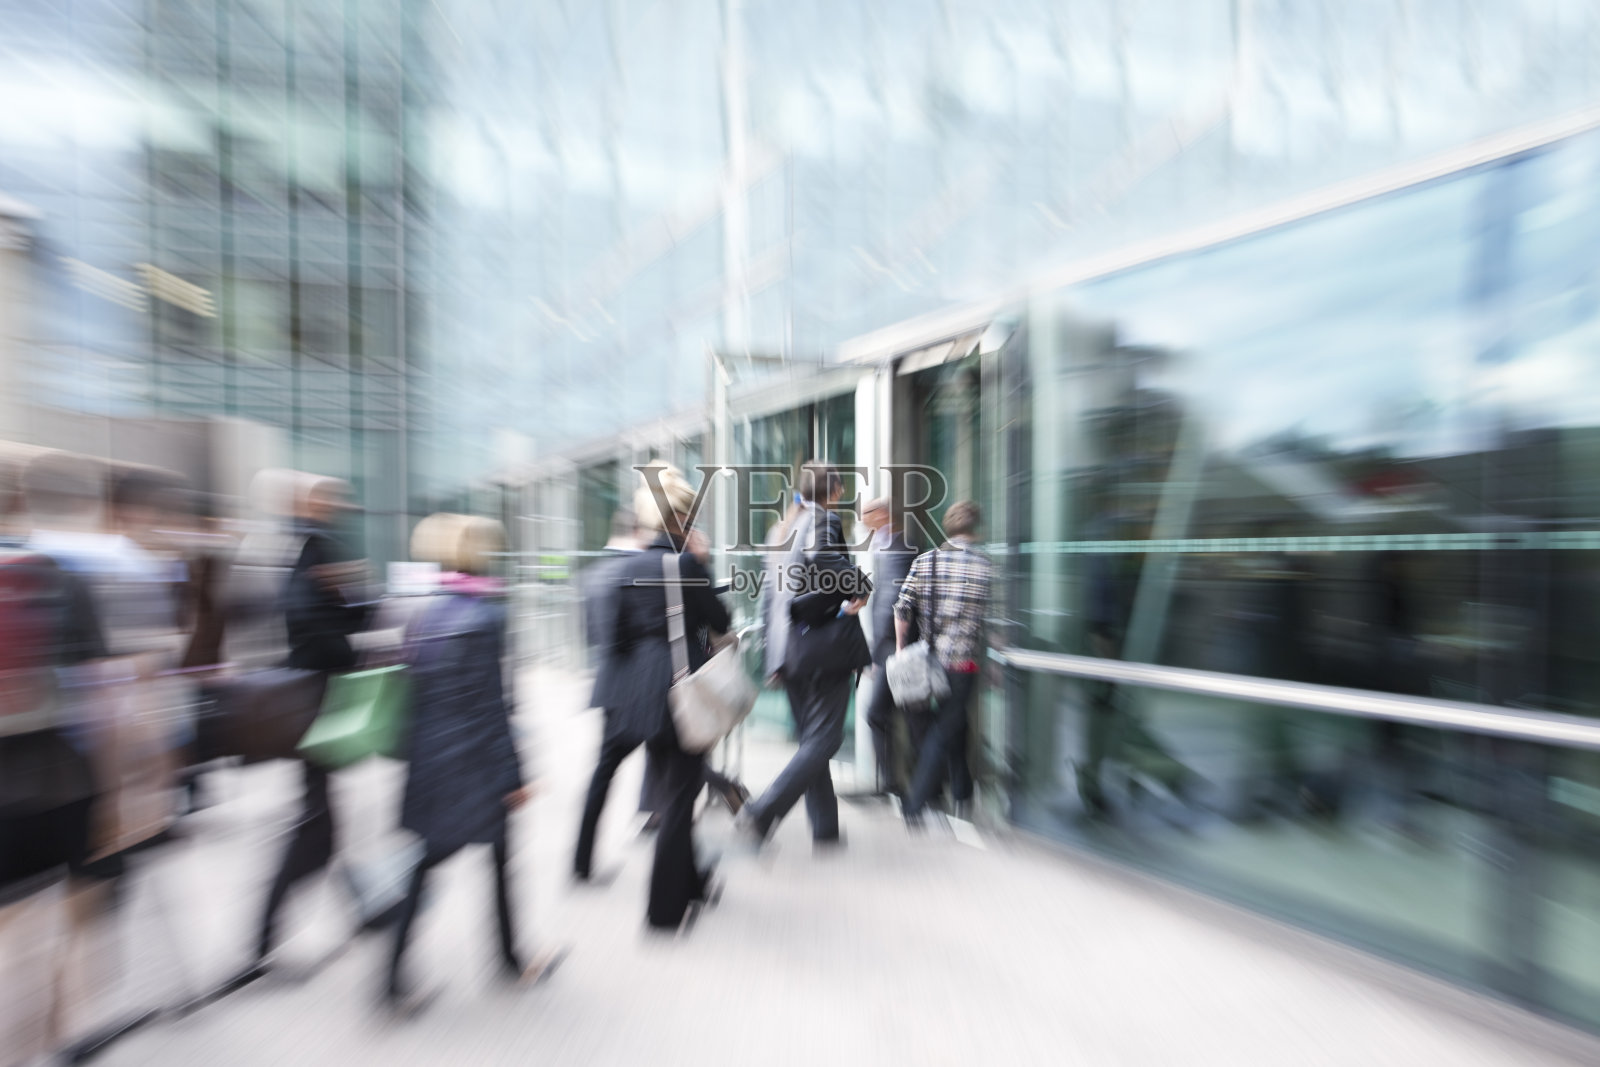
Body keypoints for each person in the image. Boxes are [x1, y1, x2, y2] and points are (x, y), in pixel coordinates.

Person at [385, 515, 560, 1010]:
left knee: (447, 861)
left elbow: (414, 695)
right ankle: (498, 963)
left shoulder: (425, 613)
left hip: (431, 759)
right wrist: (514, 775)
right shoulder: (483, 619)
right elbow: (492, 708)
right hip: (472, 766)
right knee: (465, 860)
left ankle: (503, 959)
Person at [249, 474, 374, 978]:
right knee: (314, 817)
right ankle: (260, 941)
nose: (340, 502)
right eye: (330, 495)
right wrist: (353, 595)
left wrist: (350, 597)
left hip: (311, 696)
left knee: (323, 815)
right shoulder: (311, 546)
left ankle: (361, 909)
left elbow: (334, 617)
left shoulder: (300, 545)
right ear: (307, 501)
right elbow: (319, 623)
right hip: (315, 697)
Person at [597, 466, 730, 930]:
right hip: (682, 692)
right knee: (678, 799)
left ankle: (692, 881)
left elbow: (613, 641)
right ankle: (664, 912)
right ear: (679, 518)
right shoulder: (685, 565)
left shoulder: (627, 566)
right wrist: (703, 563)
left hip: (641, 696)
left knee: (675, 792)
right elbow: (720, 617)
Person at [736, 463, 870, 848]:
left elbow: (768, 599)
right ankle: (762, 814)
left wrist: (771, 658)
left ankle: (825, 828)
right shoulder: (823, 520)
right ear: (836, 489)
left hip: (788, 651)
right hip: (821, 648)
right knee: (824, 741)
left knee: (812, 741)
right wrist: (860, 586)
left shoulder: (780, 529)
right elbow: (825, 559)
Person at [895, 500, 992, 826]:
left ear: (948, 527)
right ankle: (915, 805)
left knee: (955, 725)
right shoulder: (985, 566)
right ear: (975, 530)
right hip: (963, 665)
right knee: (945, 729)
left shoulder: (927, 561)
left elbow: (902, 609)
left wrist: (899, 649)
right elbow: (996, 624)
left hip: (927, 659)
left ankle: (963, 791)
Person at [860, 497, 917, 797]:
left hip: (893, 650)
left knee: (879, 715)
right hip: (892, 648)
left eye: (866, 513)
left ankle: (897, 786)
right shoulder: (886, 545)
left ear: (882, 514)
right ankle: (899, 784)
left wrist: (878, 653)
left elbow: (891, 602)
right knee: (904, 715)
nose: (862, 519)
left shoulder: (898, 546)